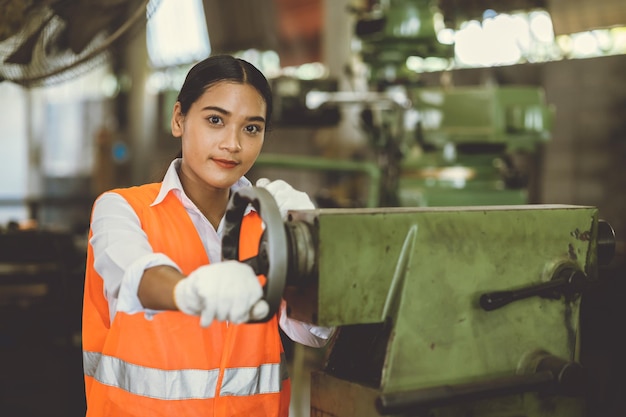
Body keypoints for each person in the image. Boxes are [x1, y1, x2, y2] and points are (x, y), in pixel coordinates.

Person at [82, 55, 333, 417]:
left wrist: (307, 243)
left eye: (251, 128)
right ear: (179, 118)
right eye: (216, 120)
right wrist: (188, 291)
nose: (232, 143)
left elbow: (315, 333)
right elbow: (138, 277)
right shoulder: (122, 209)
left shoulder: (268, 226)